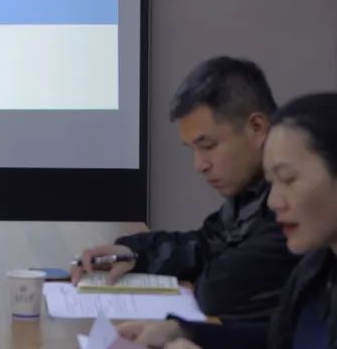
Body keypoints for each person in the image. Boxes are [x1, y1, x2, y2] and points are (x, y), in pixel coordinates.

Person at [71, 57, 299, 320]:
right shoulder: (252, 190)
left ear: (257, 127)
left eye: (208, 146)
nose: (199, 165)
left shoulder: (295, 200)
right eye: (193, 149)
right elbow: (204, 245)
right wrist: (133, 253)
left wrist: (199, 279)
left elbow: (218, 291)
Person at [119, 92, 337, 348]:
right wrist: (184, 331)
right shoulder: (316, 268)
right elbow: (279, 340)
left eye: (289, 179)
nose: (273, 201)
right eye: (272, 182)